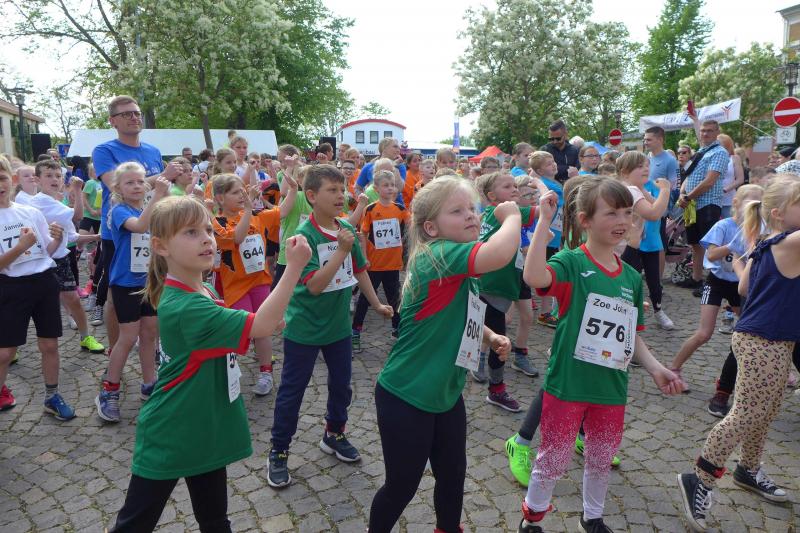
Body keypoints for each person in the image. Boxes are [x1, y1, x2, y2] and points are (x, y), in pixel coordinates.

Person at [108, 195, 310, 532]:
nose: (206, 239)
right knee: (133, 526)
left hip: (202, 426)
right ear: (160, 247)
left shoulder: (200, 289)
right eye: (190, 232)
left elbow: (249, 324)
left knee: (215, 521)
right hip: (172, 431)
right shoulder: (188, 306)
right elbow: (260, 325)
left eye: (207, 230)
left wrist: (260, 319)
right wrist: (294, 267)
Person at [518, 177, 683, 533]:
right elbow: (534, 277)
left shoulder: (631, 278)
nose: (622, 220)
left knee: (601, 458)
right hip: (568, 384)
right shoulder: (572, 262)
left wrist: (656, 368)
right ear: (585, 220)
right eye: (611, 213)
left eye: (627, 212)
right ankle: (532, 518)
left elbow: (632, 335)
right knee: (554, 455)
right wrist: (544, 222)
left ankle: (592, 517)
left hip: (611, 387)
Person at [367, 176, 515, 533]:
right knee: (402, 485)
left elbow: (462, 314)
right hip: (407, 393)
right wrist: (512, 216)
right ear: (431, 228)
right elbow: (498, 254)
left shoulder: (456, 261)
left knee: (452, 475)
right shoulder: (437, 255)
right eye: (457, 211)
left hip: (446, 394)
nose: (471, 216)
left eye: (472, 209)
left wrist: (490, 335)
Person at [677, 177, 800, 533]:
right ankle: (699, 478)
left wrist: (743, 259)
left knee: (766, 410)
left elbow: (744, 286)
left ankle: (748, 469)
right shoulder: (790, 242)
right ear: (778, 214)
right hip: (763, 341)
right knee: (746, 414)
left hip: (771, 340)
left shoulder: (768, 243)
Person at [266, 164, 393, 488]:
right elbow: (314, 286)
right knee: (292, 392)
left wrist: (376, 303)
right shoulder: (303, 237)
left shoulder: (346, 229)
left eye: (343, 189)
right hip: (304, 329)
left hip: (338, 329)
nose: (341, 196)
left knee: (342, 386)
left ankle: (334, 433)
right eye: (332, 190)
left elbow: (360, 269)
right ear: (311, 196)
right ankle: (279, 450)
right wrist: (341, 250)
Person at [90, 95, 180, 340]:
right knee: (114, 294)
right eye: (126, 114)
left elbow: (162, 190)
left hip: (151, 229)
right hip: (119, 232)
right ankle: (115, 347)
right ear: (113, 121)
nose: (134, 117)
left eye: (137, 113)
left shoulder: (153, 151)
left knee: (153, 284)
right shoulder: (104, 150)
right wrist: (163, 175)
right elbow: (115, 185)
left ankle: (151, 345)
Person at [0, 155, 77, 418]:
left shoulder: (31, 212)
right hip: (10, 286)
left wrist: (56, 239)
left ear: (11, 180)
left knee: (50, 345)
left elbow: (47, 252)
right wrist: (19, 248)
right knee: (5, 352)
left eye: (2, 178)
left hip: (43, 281)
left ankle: (52, 396)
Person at [95, 163, 171, 422]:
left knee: (150, 333)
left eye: (140, 181)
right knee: (127, 337)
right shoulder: (119, 210)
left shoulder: (149, 207)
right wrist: (157, 195)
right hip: (125, 283)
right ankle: (109, 390)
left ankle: (149, 383)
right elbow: (139, 226)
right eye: (130, 182)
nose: (137, 186)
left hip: (150, 281)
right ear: (118, 188)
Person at [671, 185, 762, 397]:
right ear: (736, 203)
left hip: (739, 286)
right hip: (717, 281)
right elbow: (711, 255)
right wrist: (731, 246)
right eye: (751, 202)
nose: (755, 207)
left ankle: (774, 369)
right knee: (704, 333)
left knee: (752, 332)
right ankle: (674, 369)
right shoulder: (723, 225)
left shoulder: (759, 227)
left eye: (759, 204)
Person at [212, 172, 296, 395]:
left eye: (243, 191)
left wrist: (294, 190)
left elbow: (282, 211)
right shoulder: (218, 222)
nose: (242, 195)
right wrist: (248, 210)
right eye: (235, 192)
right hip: (236, 286)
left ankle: (266, 373)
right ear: (220, 198)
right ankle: (230, 373)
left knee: (262, 330)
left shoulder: (257, 214)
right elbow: (237, 238)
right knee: (240, 330)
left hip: (259, 281)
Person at [22, 159, 104, 355]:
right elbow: (78, 216)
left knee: (72, 299)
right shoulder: (40, 201)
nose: (55, 179)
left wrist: (96, 237)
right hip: (37, 261)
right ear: (37, 180)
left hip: (59, 260)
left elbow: (71, 235)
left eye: (58, 176)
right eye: (49, 175)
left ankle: (86, 337)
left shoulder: (56, 202)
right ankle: (11, 345)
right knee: (26, 303)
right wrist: (77, 190)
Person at [471, 171, 536, 412]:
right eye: (507, 187)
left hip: (500, 282)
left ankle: (478, 365)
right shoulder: (505, 211)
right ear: (492, 196)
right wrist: (539, 183)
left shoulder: (494, 212)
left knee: (489, 330)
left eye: (514, 185)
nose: (514, 189)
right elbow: (546, 208)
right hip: (493, 286)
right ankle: (496, 390)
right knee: (498, 339)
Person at [615, 151, 674, 330]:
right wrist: (666, 190)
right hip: (627, 247)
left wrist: (651, 192)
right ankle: (628, 322)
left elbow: (657, 208)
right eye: (640, 166)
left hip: (639, 243)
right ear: (625, 172)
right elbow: (654, 213)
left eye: (647, 165)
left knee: (649, 280)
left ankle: (652, 312)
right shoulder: (631, 190)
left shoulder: (635, 189)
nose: (646, 169)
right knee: (629, 283)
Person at [351, 170, 410, 349]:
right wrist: (364, 257)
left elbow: (410, 230)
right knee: (366, 298)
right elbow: (363, 234)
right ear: (376, 189)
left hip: (393, 264)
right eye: (386, 185)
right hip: (374, 264)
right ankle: (355, 331)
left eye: (392, 185)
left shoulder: (400, 210)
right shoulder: (370, 209)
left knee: (395, 298)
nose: (390, 188)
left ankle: (397, 329)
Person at [677, 119, 730, 290]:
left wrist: (688, 197)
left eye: (709, 130)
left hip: (708, 204)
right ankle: (697, 278)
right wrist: (682, 194)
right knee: (695, 244)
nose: (705, 133)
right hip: (692, 204)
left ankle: (714, 284)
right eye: (703, 130)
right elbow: (689, 176)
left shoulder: (720, 152)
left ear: (717, 132)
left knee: (710, 246)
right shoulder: (700, 151)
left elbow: (709, 181)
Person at [528, 151, 563, 328]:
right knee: (547, 274)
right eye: (549, 163)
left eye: (553, 161)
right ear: (540, 170)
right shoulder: (544, 185)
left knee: (550, 272)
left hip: (555, 236)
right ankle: (545, 312)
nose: (554, 164)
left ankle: (547, 310)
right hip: (546, 235)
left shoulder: (554, 183)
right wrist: (537, 181)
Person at [354, 138, 407, 204]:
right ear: (384, 148)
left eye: (399, 148)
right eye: (395, 147)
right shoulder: (369, 166)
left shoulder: (400, 166)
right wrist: (363, 200)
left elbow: (400, 188)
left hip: (396, 206)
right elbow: (358, 187)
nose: (398, 150)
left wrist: (393, 166)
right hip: (373, 207)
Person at [717, 134, 745, 219]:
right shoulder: (711, 158)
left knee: (731, 222)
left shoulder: (734, 158)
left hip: (728, 199)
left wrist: (725, 189)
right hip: (712, 199)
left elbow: (740, 179)